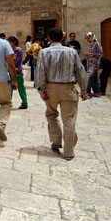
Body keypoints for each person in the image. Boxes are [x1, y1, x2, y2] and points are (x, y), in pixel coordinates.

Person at [35, 27, 88, 161]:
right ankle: (69, 151)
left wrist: (41, 89)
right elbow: (80, 71)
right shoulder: (72, 52)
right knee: (69, 120)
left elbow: (40, 72)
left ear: (48, 38)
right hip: (68, 88)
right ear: (63, 38)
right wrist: (84, 89)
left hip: (51, 88)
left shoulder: (44, 53)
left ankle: (56, 140)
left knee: (51, 114)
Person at [7, 36, 28, 109]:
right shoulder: (8, 50)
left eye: (9, 42)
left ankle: (24, 102)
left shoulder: (19, 50)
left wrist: (12, 65)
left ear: (14, 42)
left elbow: (18, 61)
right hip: (9, 70)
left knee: (21, 88)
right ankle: (8, 102)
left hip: (17, 71)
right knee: (9, 88)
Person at [84, 32, 103, 98]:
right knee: (94, 78)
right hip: (90, 63)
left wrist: (89, 54)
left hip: (94, 64)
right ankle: (97, 92)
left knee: (89, 77)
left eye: (87, 38)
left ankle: (87, 92)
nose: (87, 40)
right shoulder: (92, 44)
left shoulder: (96, 44)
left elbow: (100, 53)